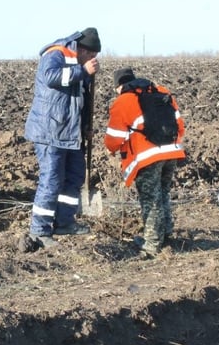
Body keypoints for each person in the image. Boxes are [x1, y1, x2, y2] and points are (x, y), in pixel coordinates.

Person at [24, 27, 102, 247]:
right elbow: (50, 77)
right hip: (50, 131)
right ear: (83, 50)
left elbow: (82, 100)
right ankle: (39, 230)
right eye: (91, 55)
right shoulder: (55, 54)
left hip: (71, 134)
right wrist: (83, 71)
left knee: (75, 177)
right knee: (51, 179)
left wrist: (86, 126)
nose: (93, 60)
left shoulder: (82, 65)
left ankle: (64, 222)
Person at [104, 67, 186, 258]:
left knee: (151, 200)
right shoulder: (162, 92)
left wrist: (112, 149)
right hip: (171, 151)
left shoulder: (123, 101)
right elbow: (179, 125)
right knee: (163, 193)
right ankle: (166, 235)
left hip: (147, 157)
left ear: (118, 86)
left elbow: (114, 139)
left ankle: (151, 245)